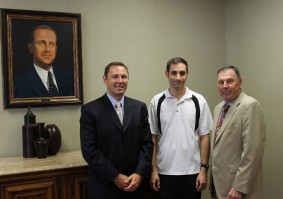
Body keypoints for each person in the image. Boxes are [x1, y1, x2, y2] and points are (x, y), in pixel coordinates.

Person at [80, 61, 154, 199]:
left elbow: (147, 144)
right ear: (105, 79)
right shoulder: (90, 110)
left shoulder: (140, 108)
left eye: (124, 77)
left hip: (135, 185)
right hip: (104, 186)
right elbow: (89, 150)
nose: (120, 81)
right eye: (115, 77)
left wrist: (139, 173)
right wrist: (115, 176)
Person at [148, 57, 213, 199]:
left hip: (192, 173)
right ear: (167, 74)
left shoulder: (199, 100)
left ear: (187, 74)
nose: (178, 77)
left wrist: (203, 170)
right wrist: (153, 170)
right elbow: (153, 138)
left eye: (182, 73)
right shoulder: (156, 101)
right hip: (164, 172)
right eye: (174, 73)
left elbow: (204, 137)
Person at [210, 65, 266, 199]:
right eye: (221, 82)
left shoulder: (250, 105)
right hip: (220, 185)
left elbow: (253, 151)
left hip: (238, 188)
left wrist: (239, 187)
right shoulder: (218, 108)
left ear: (240, 83)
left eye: (229, 81)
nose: (225, 86)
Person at [14, 25, 74, 98]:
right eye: (41, 43)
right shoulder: (19, 83)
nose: (47, 49)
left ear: (56, 48)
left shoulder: (68, 77)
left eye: (52, 44)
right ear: (30, 47)